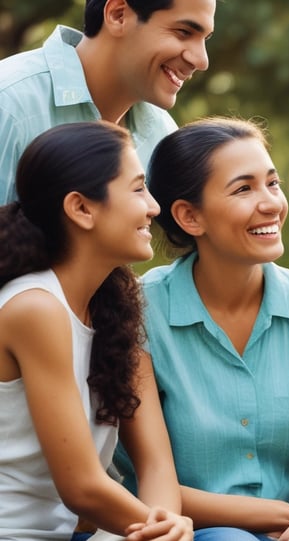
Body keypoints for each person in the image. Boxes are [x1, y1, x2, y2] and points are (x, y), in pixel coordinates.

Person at [137, 117, 289, 540]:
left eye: (272, 183)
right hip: (188, 529)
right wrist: (277, 516)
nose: (271, 203)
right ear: (188, 216)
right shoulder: (141, 312)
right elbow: (152, 478)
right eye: (243, 189)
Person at [0, 121, 192, 540]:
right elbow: (82, 487)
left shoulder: (114, 306)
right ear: (81, 208)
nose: (154, 207)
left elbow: (157, 464)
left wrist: (166, 524)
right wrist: (163, 530)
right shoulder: (35, 307)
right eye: (138, 188)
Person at [0, 0, 216, 204]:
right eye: (184, 32)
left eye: (205, 39)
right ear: (118, 15)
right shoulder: (10, 104)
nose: (202, 61)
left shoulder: (162, 134)